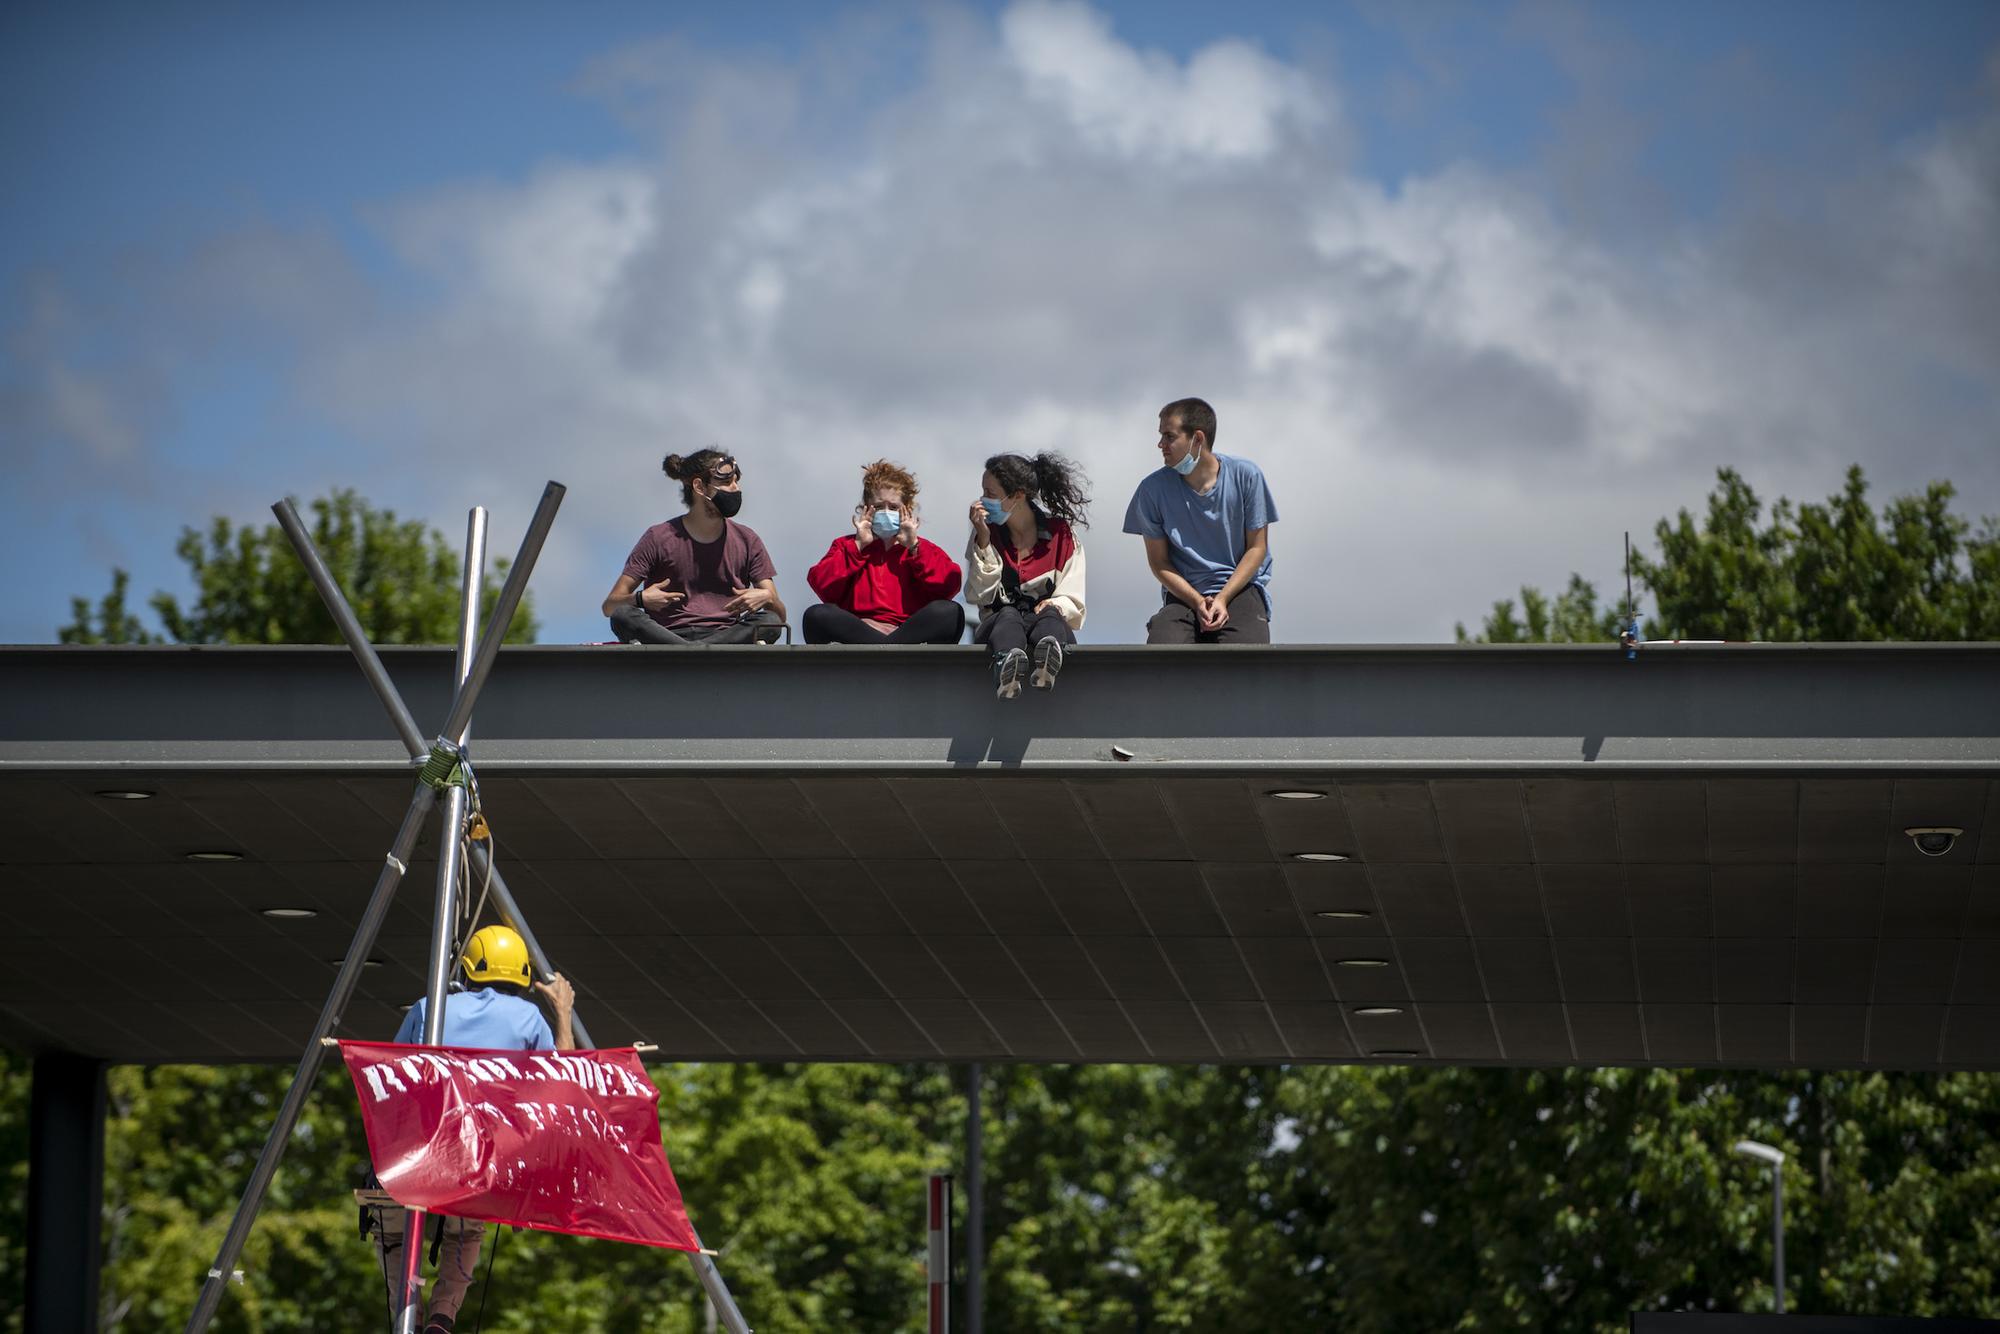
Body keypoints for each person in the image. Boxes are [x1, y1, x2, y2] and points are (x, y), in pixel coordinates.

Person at [373, 925, 576, 1334]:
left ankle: (403, 1307)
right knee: (465, 1232)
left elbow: (391, 1076)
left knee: (391, 1227)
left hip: (421, 1148)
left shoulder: (429, 1008)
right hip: (483, 1157)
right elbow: (561, 1082)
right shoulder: (529, 1018)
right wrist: (563, 1013)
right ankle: (442, 1316)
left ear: (466, 971)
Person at [1122, 397, 1278, 643]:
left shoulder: (1247, 476)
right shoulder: (1151, 490)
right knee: (1161, 653)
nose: (1160, 444)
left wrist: (1223, 598)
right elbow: (1159, 561)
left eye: (1169, 436)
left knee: (1248, 661)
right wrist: (1197, 601)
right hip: (1183, 594)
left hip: (1239, 588)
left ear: (1198, 439)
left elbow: (1257, 548)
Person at [601, 449, 787, 644]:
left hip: (725, 638)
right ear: (699, 486)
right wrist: (640, 599)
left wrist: (767, 598)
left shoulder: (748, 539)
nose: (735, 488)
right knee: (623, 615)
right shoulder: (658, 537)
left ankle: (689, 653)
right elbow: (610, 606)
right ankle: (696, 653)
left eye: (736, 481)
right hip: (668, 636)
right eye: (725, 482)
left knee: (770, 621)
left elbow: (779, 616)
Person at [965, 452, 1089, 698]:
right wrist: (983, 542)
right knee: (1008, 614)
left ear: (1017, 496)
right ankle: (1007, 664)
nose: (981, 501)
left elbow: (1074, 602)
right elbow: (979, 594)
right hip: (997, 626)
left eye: (990, 494)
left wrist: (1054, 603)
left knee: (1052, 615)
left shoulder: (1061, 536)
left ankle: (1048, 659)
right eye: (982, 492)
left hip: (1043, 621)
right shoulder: (986, 534)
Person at [803, 460, 966, 644]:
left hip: (908, 631)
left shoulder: (922, 548)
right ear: (866, 509)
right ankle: (888, 651)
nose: (886, 512)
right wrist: (858, 547)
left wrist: (914, 548)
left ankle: (886, 649)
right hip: (858, 631)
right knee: (816, 615)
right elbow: (820, 584)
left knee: (951, 612)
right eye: (879, 507)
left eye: (894, 507)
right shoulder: (846, 545)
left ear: (907, 511)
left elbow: (950, 586)